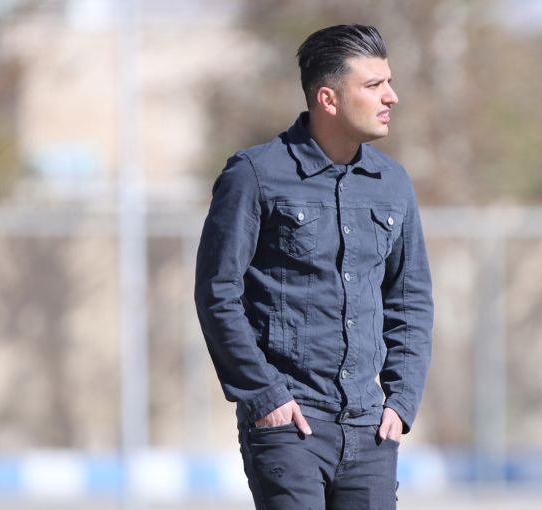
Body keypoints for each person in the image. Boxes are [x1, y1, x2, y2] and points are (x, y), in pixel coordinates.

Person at [194, 24, 433, 509]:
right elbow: (218, 293)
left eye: (388, 83)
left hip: (370, 430)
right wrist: (265, 397)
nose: (391, 97)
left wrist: (400, 403)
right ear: (329, 98)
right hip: (290, 426)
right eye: (374, 85)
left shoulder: (393, 183)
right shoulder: (254, 175)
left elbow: (410, 301)